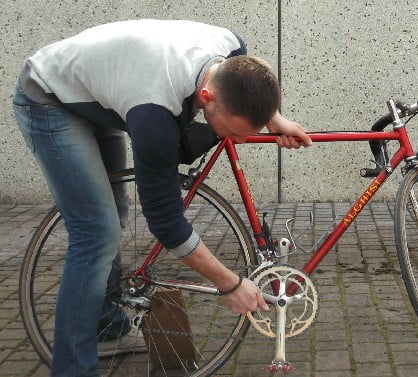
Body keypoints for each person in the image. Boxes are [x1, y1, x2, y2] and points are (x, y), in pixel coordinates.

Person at [12, 19, 312, 377]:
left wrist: (273, 119)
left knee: (115, 214)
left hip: (108, 89)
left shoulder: (233, 49)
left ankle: (107, 327)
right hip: (50, 98)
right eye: (232, 132)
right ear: (207, 97)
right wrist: (229, 284)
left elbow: (251, 90)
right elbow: (166, 223)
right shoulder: (154, 114)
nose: (242, 141)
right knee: (96, 233)